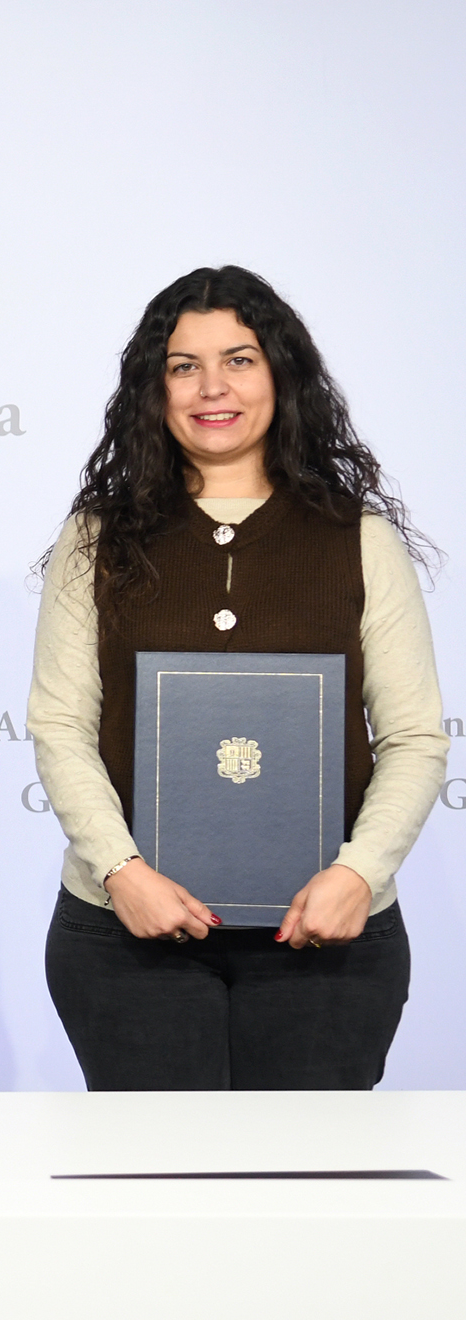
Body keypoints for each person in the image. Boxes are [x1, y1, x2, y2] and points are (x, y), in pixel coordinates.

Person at [29, 265, 448, 1091]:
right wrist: (124, 873)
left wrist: (355, 874)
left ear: (282, 374)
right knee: (159, 1200)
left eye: (240, 359)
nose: (211, 386)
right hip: (127, 939)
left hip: (325, 939)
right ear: (154, 388)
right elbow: (60, 727)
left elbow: (413, 739)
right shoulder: (96, 539)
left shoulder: (358, 538)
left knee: (307, 1203)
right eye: (183, 365)